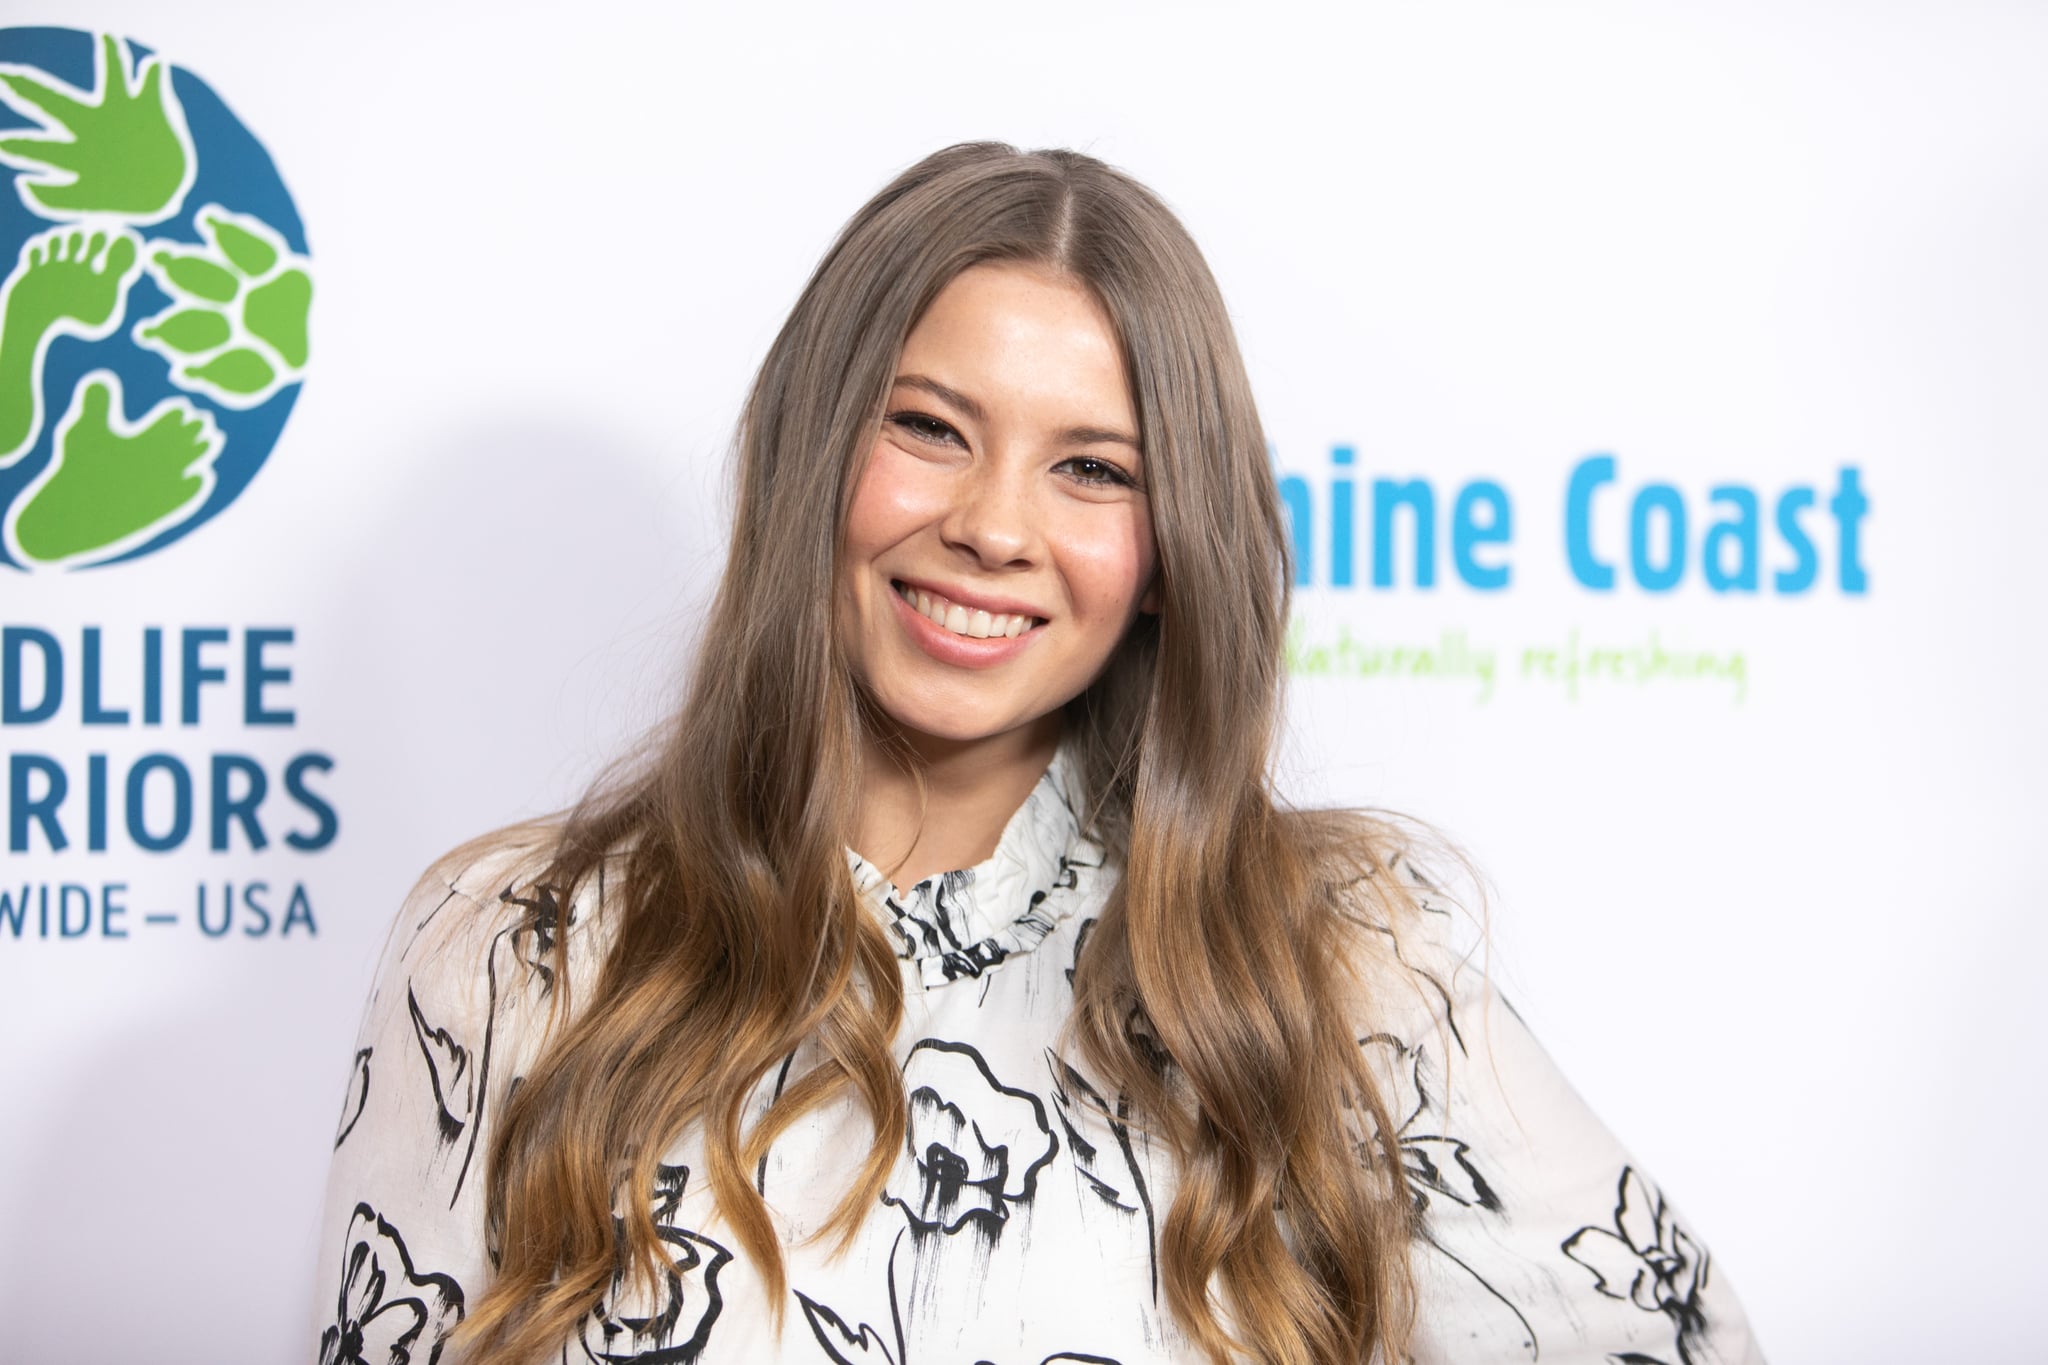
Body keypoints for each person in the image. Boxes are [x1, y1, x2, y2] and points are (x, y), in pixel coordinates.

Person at [316, 143, 1763, 1365]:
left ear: (1167, 552)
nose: (996, 526)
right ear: (817, 459)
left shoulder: (1336, 955)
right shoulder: (518, 947)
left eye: (1092, 468)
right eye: (932, 429)